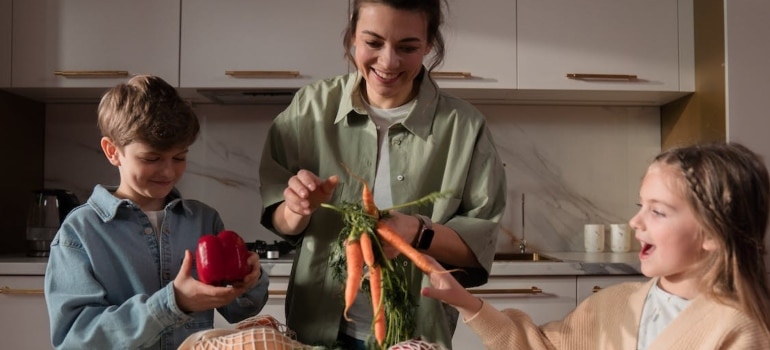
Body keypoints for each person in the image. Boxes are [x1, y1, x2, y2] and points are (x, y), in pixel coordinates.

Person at [258, 0, 506, 348]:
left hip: (417, 333)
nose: (388, 62)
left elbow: (478, 247)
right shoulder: (309, 108)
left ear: (429, 44)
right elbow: (280, 221)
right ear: (352, 38)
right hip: (316, 328)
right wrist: (297, 209)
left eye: (408, 47)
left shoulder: (464, 128)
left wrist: (416, 232)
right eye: (373, 43)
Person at [422, 142, 770, 349]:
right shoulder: (614, 304)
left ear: (712, 234)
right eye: (640, 207)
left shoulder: (738, 328)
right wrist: (466, 302)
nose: (636, 222)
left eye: (658, 212)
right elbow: (539, 346)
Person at [44, 75, 270, 349]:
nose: (168, 171)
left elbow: (239, 310)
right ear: (112, 151)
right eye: (151, 159)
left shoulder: (203, 220)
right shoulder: (80, 232)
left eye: (180, 157)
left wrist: (250, 280)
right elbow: (75, 340)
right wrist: (173, 302)